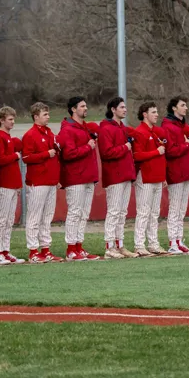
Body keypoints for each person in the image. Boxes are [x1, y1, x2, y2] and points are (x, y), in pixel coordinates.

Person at [57, 96, 101, 261]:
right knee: (75, 213)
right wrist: (87, 147)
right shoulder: (68, 129)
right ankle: (70, 249)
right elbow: (68, 154)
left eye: (85, 105)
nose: (85, 108)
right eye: (82, 106)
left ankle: (79, 246)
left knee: (84, 214)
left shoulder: (84, 128)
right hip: (75, 177)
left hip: (88, 176)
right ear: (73, 109)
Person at [21, 102, 62, 263]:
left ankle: (46, 249)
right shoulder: (30, 135)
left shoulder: (49, 132)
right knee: (34, 217)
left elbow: (56, 152)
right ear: (36, 116)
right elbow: (26, 157)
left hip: (50, 180)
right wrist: (46, 153)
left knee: (47, 217)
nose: (48, 117)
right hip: (37, 181)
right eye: (45, 114)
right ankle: (33, 251)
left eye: (48, 114)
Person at [99, 97, 138, 259]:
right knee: (114, 211)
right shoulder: (106, 128)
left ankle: (120, 245)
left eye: (125, 107)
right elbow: (106, 152)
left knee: (122, 212)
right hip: (114, 176)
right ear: (113, 109)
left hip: (126, 174)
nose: (125, 109)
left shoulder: (123, 128)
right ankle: (109, 247)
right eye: (121, 107)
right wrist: (125, 147)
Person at [0, 106, 27, 264]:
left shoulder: (10, 138)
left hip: (12, 183)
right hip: (4, 183)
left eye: (13, 119)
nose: (13, 122)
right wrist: (15, 155)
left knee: (9, 220)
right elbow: (0, 159)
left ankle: (5, 250)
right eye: (10, 119)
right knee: (1, 219)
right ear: (2, 120)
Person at [162, 96, 189, 254]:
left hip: (185, 172)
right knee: (175, 208)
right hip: (176, 172)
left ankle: (179, 240)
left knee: (181, 209)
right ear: (174, 108)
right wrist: (186, 145)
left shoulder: (182, 125)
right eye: (182, 105)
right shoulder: (168, 126)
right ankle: (172, 242)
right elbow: (170, 150)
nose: (186, 108)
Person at [132, 101, 168, 256]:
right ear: (145, 114)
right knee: (144, 211)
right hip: (145, 176)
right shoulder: (140, 132)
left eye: (156, 111)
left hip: (157, 176)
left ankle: (153, 243)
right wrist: (156, 152)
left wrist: (163, 176)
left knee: (155, 212)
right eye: (153, 112)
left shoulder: (156, 132)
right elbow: (137, 155)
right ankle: (139, 244)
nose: (157, 114)